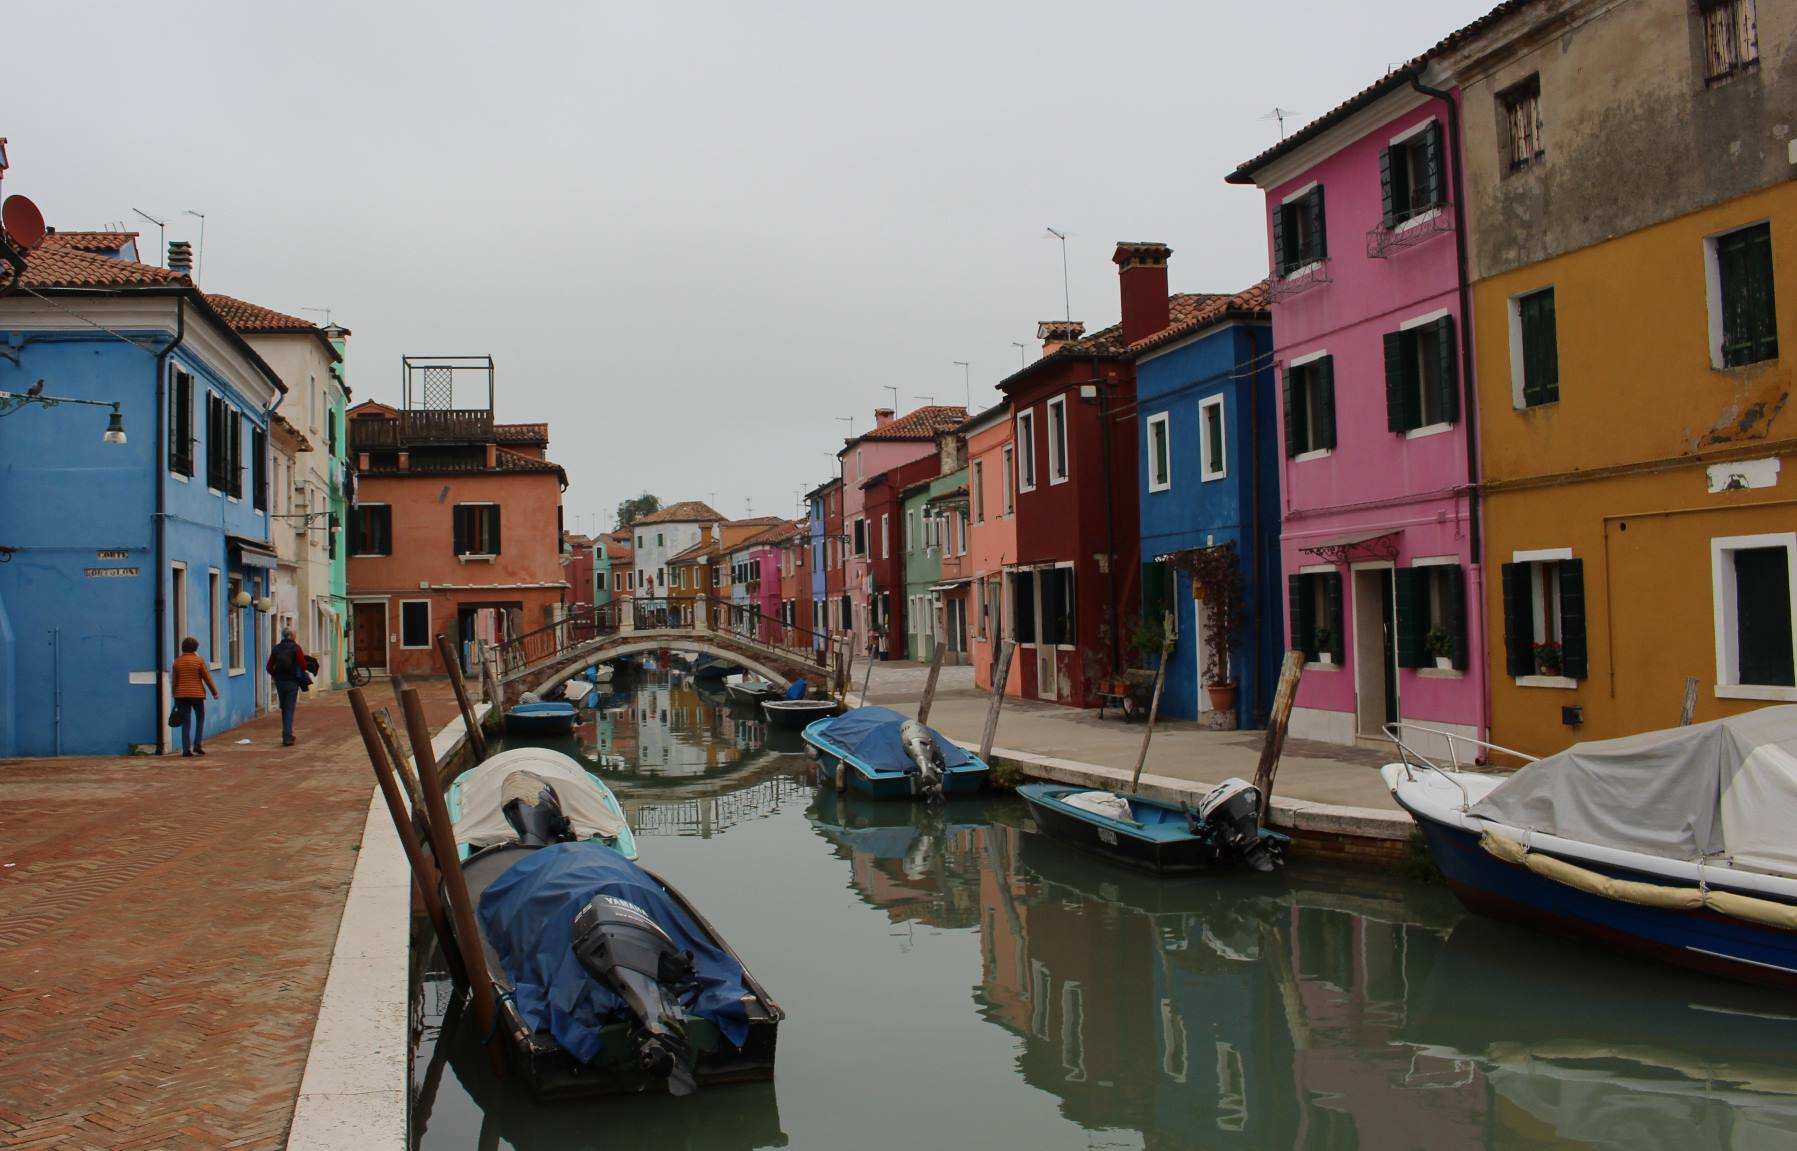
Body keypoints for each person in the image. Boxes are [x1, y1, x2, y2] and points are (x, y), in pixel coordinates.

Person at [171, 636, 219, 757]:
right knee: (200, 718)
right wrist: (214, 692)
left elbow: (175, 681)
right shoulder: (199, 661)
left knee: (186, 721)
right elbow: (207, 678)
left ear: (183, 647)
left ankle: (186, 749)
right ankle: (197, 744)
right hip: (197, 695)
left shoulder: (177, 661)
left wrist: (174, 694)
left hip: (181, 695)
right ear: (195, 648)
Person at [267, 627, 310, 747]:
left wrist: (275, 676)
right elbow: (302, 665)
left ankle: (286, 733)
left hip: (280, 682)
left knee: (284, 708)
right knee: (289, 708)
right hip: (292, 682)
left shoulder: (276, 648)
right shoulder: (296, 648)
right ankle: (287, 736)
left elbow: (269, 667)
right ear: (291, 636)